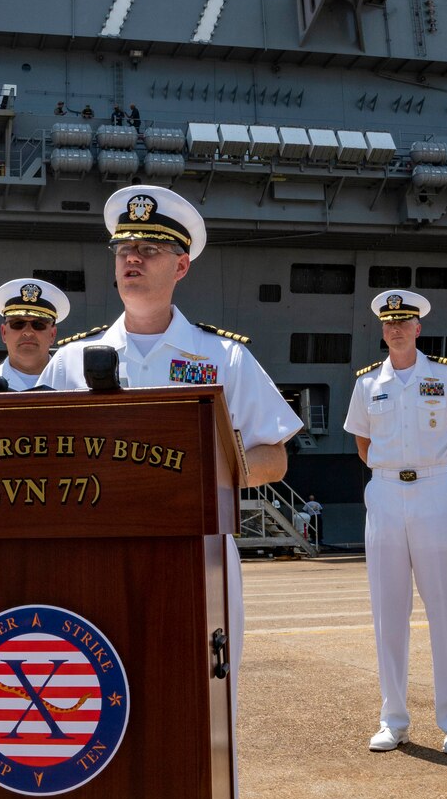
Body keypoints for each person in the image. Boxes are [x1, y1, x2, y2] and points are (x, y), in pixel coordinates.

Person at [40, 186, 303, 733]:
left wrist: (208, 478)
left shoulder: (222, 356)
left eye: (151, 249)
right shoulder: (68, 362)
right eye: (124, 248)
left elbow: (275, 456)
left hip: (198, 553)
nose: (132, 258)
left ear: (181, 265)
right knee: (97, 700)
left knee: (205, 707)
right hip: (93, 554)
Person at [344, 290, 447, 755]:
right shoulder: (367, 384)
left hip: (435, 489)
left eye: (404, 322)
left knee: (446, 608)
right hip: (384, 492)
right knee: (388, 611)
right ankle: (393, 718)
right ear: (382, 330)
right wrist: (394, 477)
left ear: (418, 328)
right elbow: (363, 445)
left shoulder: (445, 377)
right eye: (389, 323)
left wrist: (440, 480)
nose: (397, 329)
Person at [0, 278, 70, 390]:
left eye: (39, 324)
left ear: (52, 335)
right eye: (18, 323)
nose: (28, 332)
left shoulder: (78, 385)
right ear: (4, 332)